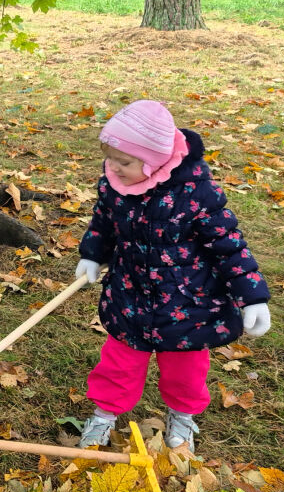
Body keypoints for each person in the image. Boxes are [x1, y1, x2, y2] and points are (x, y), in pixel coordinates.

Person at [74, 100, 272, 453]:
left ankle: (181, 416)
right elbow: (104, 223)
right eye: (110, 158)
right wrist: (92, 255)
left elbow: (228, 245)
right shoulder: (114, 184)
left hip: (188, 304)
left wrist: (252, 295)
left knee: (186, 370)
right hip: (130, 295)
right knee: (118, 363)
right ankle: (104, 414)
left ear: (153, 161)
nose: (114, 169)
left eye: (125, 162)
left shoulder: (196, 193)